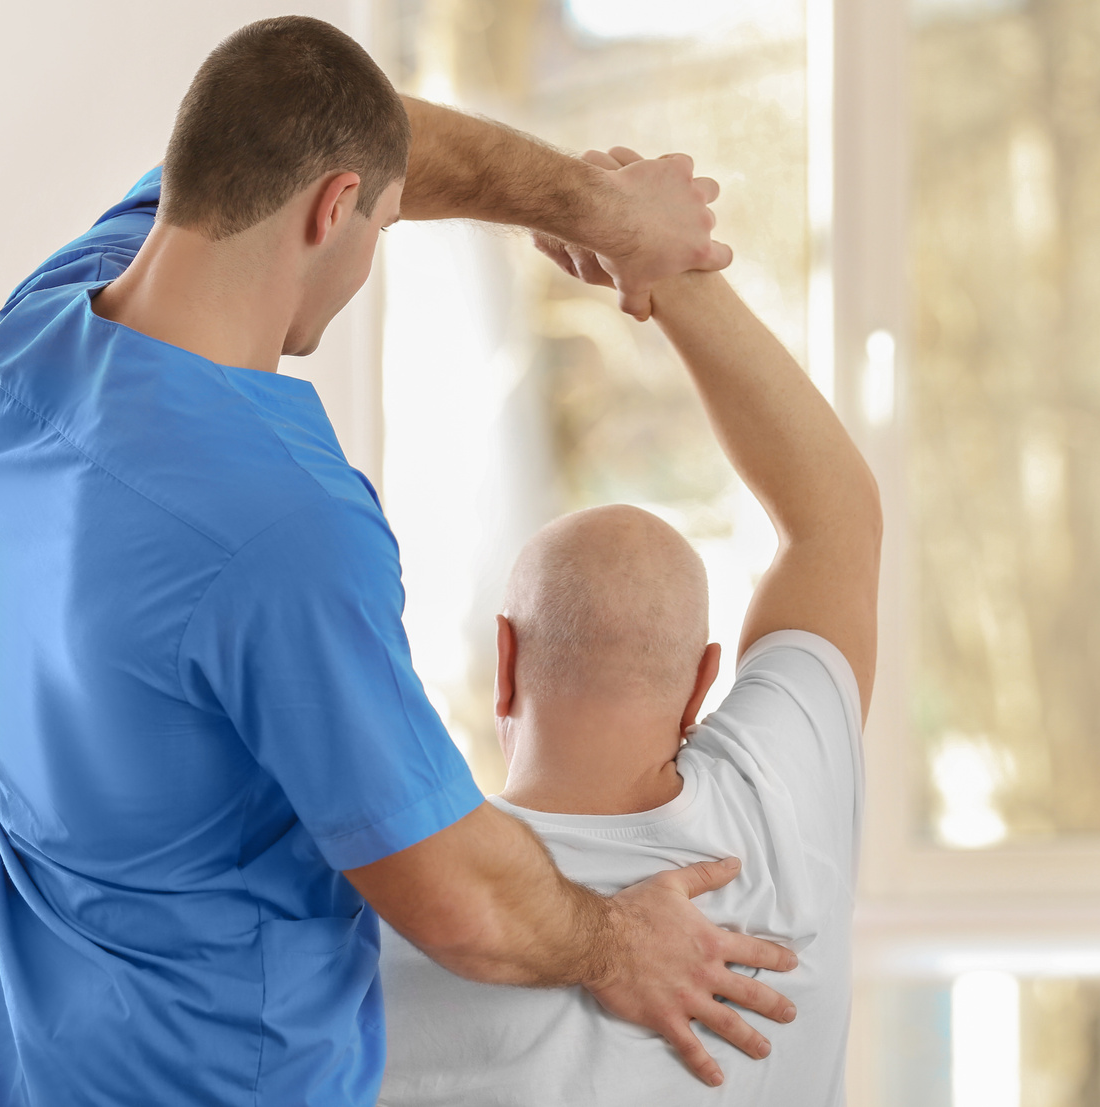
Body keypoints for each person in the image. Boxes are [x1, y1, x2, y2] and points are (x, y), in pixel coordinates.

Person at [0, 18, 798, 1107]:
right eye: (381, 222)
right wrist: (617, 943)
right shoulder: (280, 527)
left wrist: (598, 210)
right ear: (333, 207)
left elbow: (370, 136)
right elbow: (459, 900)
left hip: (9, 1073)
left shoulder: (34, 348)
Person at [376, 148, 884, 1106]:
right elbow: (835, 519)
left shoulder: (398, 894)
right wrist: (658, 265)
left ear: (505, 661)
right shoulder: (782, 820)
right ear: (701, 682)